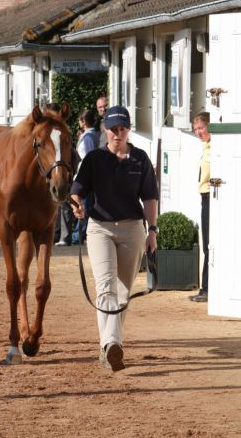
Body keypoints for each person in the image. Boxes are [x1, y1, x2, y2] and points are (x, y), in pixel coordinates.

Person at [70, 105, 158, 371]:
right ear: (105, 130)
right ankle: (112, 344)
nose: (118, 134)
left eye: (122, 129)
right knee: (106, 285)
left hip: (132, 229)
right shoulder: (94, 159)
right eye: (113, 129)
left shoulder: (140, 159)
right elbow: (77, 190)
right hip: (100, 229)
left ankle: (108, 346)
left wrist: (152, 230)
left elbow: (150, 198)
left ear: (128, 130)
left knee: (122, 291)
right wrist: (77, 205)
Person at [189, 112, 211, 303]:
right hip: (205, 196)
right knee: (207, 243)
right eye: (196, 129)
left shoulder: (214, 147)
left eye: (201, 128)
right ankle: (206, 287)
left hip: (212, 197)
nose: (198, 132)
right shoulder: (205, 146)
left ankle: (207, 288)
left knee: (210, 244)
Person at [70, 109, 99, 244]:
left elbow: (88, 157)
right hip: (85, 175)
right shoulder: (90, 135)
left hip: (85, 176)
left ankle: (78, 235)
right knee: (82, 205)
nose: (78, 122)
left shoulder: (88, 137)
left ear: (84, 121)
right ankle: (78, 234)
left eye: (80, 120)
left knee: (83, 206)